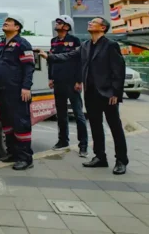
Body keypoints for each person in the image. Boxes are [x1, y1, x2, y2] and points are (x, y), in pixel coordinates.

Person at [43, 17, 128, 175]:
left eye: (94, 22)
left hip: (107, 93)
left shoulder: (110, 45)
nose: (90, 23)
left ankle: (121, 160)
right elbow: (69, 56)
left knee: (115, 127)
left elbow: (119, 70)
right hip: (91, 93)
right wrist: (49, 57)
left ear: (103, 28)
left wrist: (116, 92)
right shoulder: (86, 45)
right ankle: (100, 157)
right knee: (95, 126)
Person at [0, 14, 36, 170]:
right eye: (5, 22)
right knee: (7, 123)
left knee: (21, 123)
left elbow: (28, 68)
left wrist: (26, 87)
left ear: (17, 27)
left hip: (17, 91)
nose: (5, 23)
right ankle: (13, 153)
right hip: (3, 90)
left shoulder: (22, 44)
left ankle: (26, 158)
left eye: (9, 22)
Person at [46, 15, 88, 157]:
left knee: (78, 114)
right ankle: (63, 141)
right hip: (58, 81)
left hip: (72, 82)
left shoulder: (75, 41)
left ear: (67, 26)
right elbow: (50, 61)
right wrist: (50, 77)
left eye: (60, 22)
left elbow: (79, 61)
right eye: (57, 22)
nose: (57, 24)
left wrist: (79, 81)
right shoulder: (53, 41)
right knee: (61, 114)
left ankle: (83, 145)